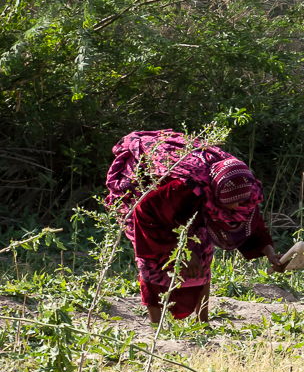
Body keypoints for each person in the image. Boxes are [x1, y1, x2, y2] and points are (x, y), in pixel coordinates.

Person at [105, 130, 283, 325]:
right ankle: (156, 325)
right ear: (217, 194)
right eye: (234, 202)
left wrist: (270, 252)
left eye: (242, 201)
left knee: (204, 256)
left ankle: (202, 322)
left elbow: (252, 222)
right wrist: (183, 250)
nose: (238, 207)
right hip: (150, 216)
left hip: (194, 213)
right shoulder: (181, 189)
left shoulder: (245, 189)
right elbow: (145, 211)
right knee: (155, 267)